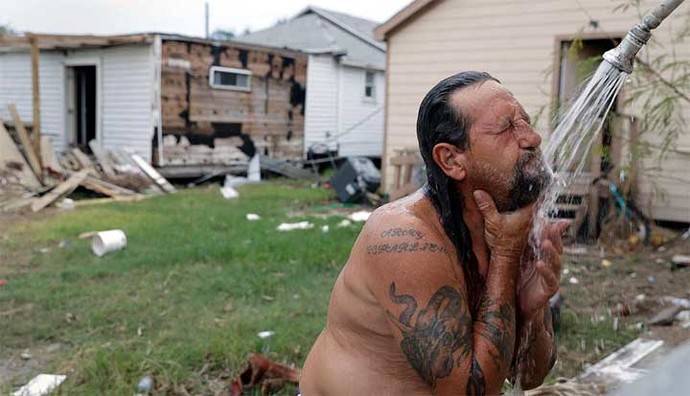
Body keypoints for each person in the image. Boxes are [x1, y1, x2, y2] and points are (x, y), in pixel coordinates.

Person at [300, 71, 568, 395]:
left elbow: (531, 377)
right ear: (451, 159)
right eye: (506, 128)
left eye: (524, 121)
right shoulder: (404, 239)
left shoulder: (503, 225)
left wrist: (530, 310)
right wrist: (507, 257)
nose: (531, 138)